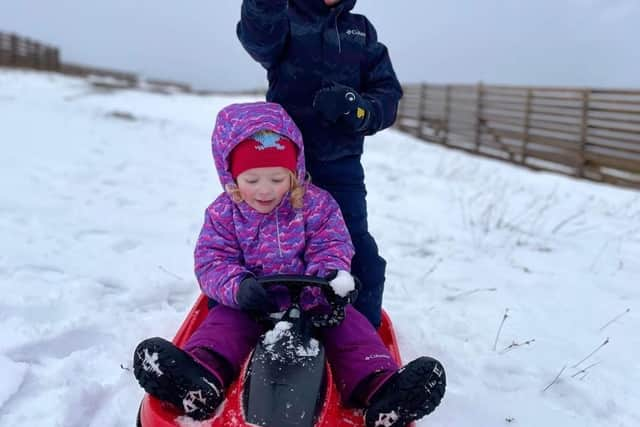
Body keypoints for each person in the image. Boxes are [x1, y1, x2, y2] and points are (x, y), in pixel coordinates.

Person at [132, 102, 444, 426]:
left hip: (313, 301)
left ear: (294, 172)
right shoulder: (223, 213)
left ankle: (382, 389)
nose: (265, 190)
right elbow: (212, 260)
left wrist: (328, 281)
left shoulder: (316, 205)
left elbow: (332, 244)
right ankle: (197, 379)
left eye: (277, 178)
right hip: (250, 301)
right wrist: (237, 287)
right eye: (252, 180)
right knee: (222, 327)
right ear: (232, 176)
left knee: (350, 329)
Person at [237, 0, 403, 328]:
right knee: (263, 247)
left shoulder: (361, 31)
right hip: (282, 167)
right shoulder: (284, 16)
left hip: (341, 168)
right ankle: (234, 334)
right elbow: (258, 38)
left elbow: (387, 93)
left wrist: (359, 109)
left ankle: (361, 348)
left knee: (360, 257)